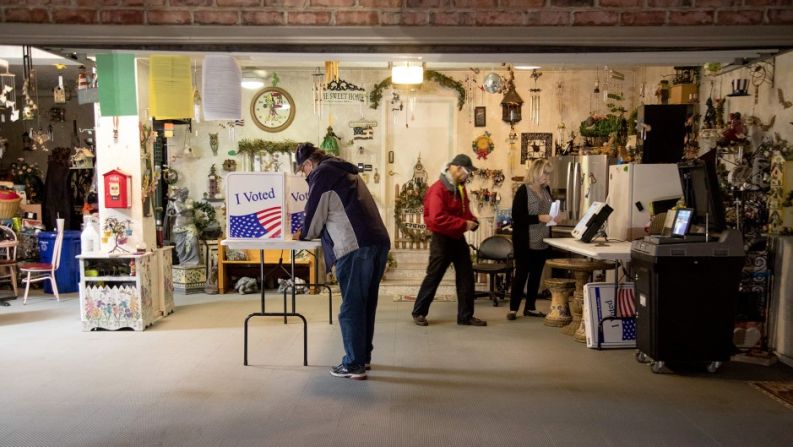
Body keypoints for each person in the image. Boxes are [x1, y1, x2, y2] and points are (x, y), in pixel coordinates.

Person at [294, 143, 390, 381]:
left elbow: (314, 218)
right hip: (377, 241)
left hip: (354, 246)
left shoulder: (322, 173)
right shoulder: (343, 170)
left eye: (302, 170)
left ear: (308, 164)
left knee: (351, 307)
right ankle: (363, 356)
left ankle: (354, 364)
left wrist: (302, 233)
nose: (304, 175)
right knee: (365, 304)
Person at [412, 154, 487, 327]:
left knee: (466, 276)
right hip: (441, 239)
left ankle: (465, 316)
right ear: (457, 168)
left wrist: (472, 221)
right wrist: (463, 224)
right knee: (434, 276)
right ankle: (419, 312)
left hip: (457, 237)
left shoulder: (459, 187)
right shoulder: (437, 189)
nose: (467, 176)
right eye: (467, 172)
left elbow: (464, 210)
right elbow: (437, 218)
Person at [507, 158, 556, 320]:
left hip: (543, 240)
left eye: (549, 174)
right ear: (536, 172)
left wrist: (555, 217)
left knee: (536, 275)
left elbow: (549, 212)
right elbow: (517, 217)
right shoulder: (523, 191)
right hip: (525, 241)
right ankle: (513, 309)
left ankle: (530, 307)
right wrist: (539, 218)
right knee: (521, 274)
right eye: (545, 173)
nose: (547, 177)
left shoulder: (546, 190)